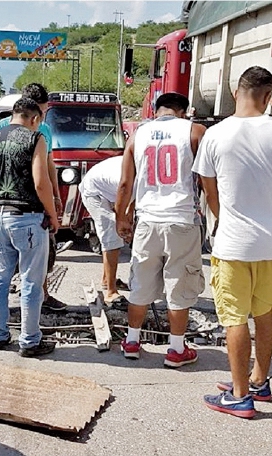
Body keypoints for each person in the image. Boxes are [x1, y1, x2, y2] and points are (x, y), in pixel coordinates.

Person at [193, 66, 272, 418]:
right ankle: (258, 380)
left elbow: (209, 190)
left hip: (233, 245)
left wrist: (221, 221)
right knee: (264, 313)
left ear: (234, 92)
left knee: (234, 318)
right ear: (269, 98)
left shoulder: (214, 134)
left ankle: (239, 396)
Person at [115, 92, 206, 368]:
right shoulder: (195, 131)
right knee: (179, 284)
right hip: (181, 220)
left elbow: (124, 184)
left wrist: (121, 217)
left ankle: (132, 341)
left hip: (147, 220)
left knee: (141, 282)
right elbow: (208, 177)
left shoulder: (138, 135)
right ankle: (176, 349)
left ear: (157, 111)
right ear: (184, 111)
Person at [0, 97, 59, 357]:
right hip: (27, 218)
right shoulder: (35, 139)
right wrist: (53, 214)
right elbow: (41, 183)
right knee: (31, 282)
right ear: (34, 118)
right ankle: (29, 341)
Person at [0, 82, 66, 312]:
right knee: (31, 262)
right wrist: (51, 207)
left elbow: (49, 164)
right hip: (28, 204)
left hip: (3, 207)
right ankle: (30, 331)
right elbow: (40, 177)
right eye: (41, 112)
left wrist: (57, 193)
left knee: (9, 266)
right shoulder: (23, 130)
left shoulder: (40, 130)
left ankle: (32, 299)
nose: (42, 117)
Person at [79, 155, 131, 307]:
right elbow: (122, 202)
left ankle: (107, 279)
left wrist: (130, 219)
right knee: (112, 236)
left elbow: (133, 202)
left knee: (120, 230)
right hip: (95, 192)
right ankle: (110, 292)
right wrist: (123, 223)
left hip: (111, 190)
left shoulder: (142, 173)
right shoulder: (127, 178)